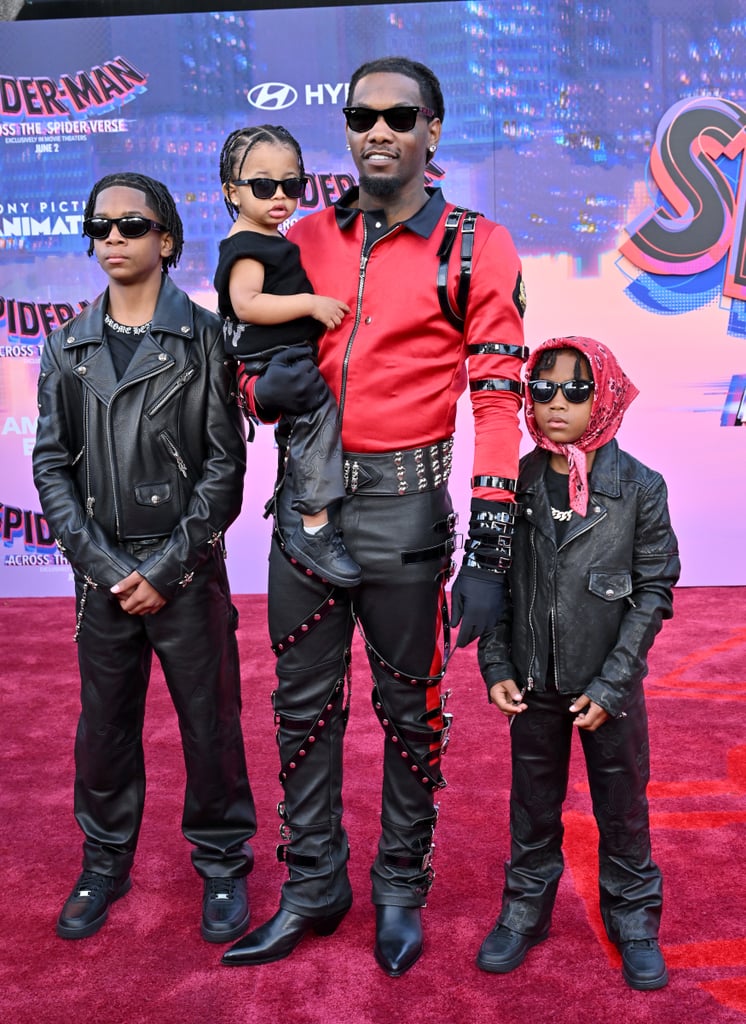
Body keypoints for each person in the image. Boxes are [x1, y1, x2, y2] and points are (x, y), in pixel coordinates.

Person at [220, 56, 527, 976]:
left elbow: (501, 397)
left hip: (409, 516)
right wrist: (256, 389)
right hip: (305, 515)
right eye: (361, 116)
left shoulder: (477, 243)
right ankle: (314, 883)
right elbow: (252, 352)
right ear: (346, 129)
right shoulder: (300, 236)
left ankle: (400, 886)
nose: (377, 132)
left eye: (399, 117)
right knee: (300, 710)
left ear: (434, 130)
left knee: (411, 713)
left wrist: (492, 550)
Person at [32, 172, 257, 944]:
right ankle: (103, 865)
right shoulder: (67, 346)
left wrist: (165, 570)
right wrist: (102, 566)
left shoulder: (205, 338)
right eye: (101, 227)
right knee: (104, 729)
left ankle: (225, 867)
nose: (114, 239)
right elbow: (50, 467)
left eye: (132, 225)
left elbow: (225, 468)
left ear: (166, 238)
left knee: (211, 728)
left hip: (185, 573)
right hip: (102, 578)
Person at [475, 335, 680, 990]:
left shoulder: (640, 487)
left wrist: (615, 681)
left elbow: (654, 591)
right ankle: (526, 907)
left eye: (575, 389)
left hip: (608, 687)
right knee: (532, 805)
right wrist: (496, 662)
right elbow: (492, 579)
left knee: (622, 806)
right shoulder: (517, 483)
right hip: (534, 681)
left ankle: (634, 917)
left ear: (607, 395)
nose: (555, 402)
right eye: (541, 388)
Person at [215, 123, 361, 588]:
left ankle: (312, 515)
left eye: (292, 185)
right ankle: (315, 525)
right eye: (262, 185)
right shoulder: (248, 246)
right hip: (276, 360)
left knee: (309, 428)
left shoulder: (270, 236)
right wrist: (311, 306)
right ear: (231, 192)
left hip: (281, 357)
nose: (279, 195)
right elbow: (246, 303)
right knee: (320, 419)